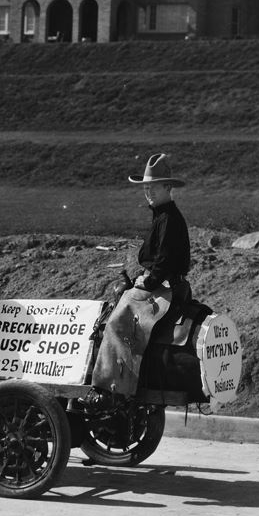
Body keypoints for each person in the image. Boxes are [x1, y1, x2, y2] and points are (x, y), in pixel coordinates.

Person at [87, 153, 191, 405]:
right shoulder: (163, 215)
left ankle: (110, 387)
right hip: (164, 283)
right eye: (145, 187)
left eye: (153, 187)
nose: (148, 192)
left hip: (164, 287)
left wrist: (149, 281)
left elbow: (164, 260)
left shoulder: (168, 218)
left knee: (116, 324)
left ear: (168, 187)